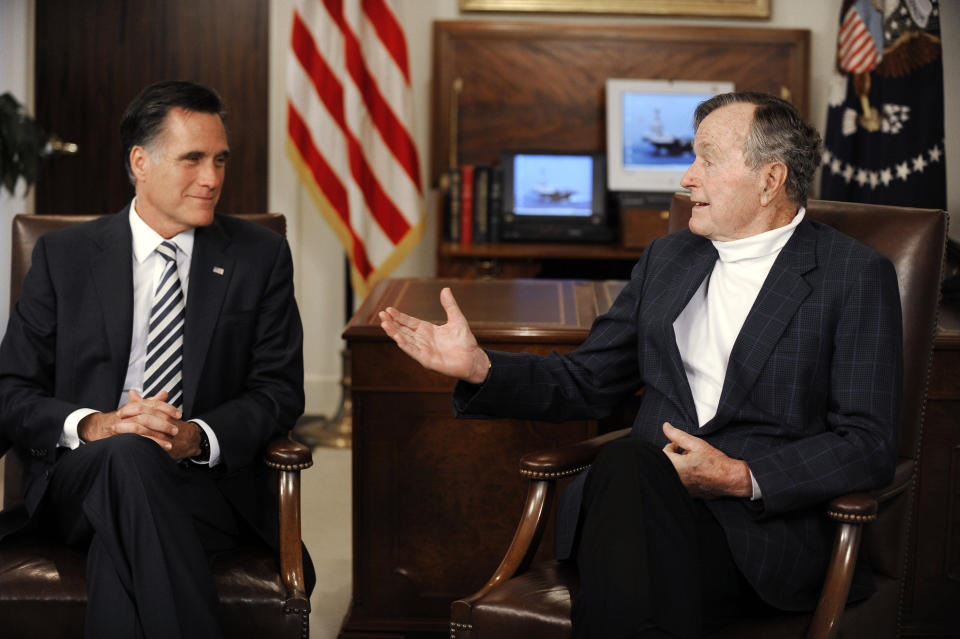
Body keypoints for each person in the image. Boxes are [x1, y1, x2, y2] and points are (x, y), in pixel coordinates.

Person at [379, 92, 902, 638]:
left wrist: (738, 477)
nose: (686, 177)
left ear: (770, 179)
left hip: (756, 536)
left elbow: (867, 442)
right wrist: (481, 367)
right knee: (630, 466)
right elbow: (587, 381)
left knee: (629, 506)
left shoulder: (852, 275)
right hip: (634, 508)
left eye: (706, 158)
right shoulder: (669, 258)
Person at [0, 80, 310, 638]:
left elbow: (279, 390)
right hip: (81, 477)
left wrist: (196, 436)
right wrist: (94, 426)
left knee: (121, 543)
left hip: (204, 485)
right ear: (139, 162)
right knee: (126, 457)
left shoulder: (258, 257)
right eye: (193, 159)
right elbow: (12, 390)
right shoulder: (64, 257)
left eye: (220, 159)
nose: (213, 178)